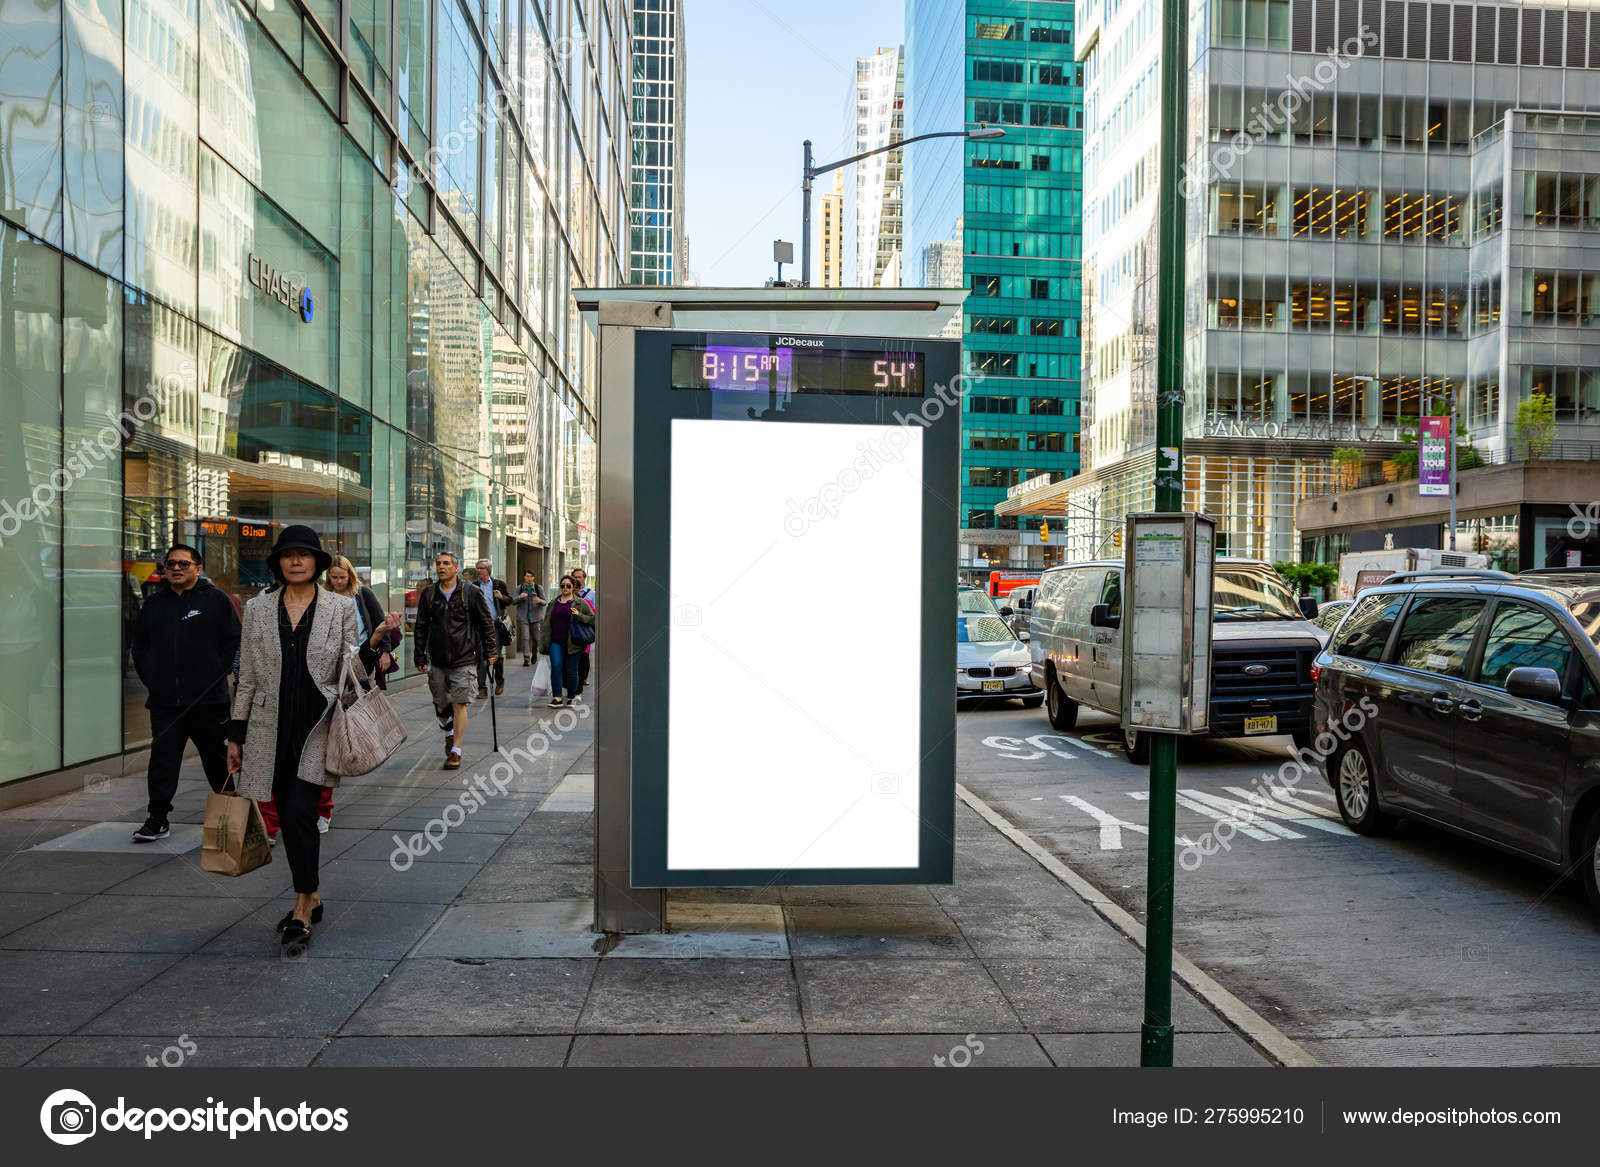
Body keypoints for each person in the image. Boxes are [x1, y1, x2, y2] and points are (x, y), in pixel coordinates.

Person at [226, 526, 401, 953]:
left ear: (317, 563)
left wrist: (373, 644)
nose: (297, 561)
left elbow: (348, 671)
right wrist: (236, 733)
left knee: (302, 814)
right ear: (278, 563)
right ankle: (314, 896)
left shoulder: (340, 608)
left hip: (315, 726)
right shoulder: (258, 609)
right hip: (269, 727)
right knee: (286, 816)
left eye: (305, 555)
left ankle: (303, 906)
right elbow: (246, 675)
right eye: (289, 555)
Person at [129, 544, 241, 843]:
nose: (176, 568)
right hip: (166, 702)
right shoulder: (153, 604)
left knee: (217, 761)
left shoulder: (216, 601)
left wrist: (215, 673)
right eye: (170, 564)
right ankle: (157, 819)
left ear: (197, 568)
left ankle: (232, 819)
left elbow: (233, 642)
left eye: (183, 563)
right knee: (163, 761)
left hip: (208, 700)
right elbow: (140, 647)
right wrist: (154, 680)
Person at [413, 552, 498, 769]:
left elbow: (486, 623)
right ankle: (448, 731)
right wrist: (419, 653)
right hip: (438, 658)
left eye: (446, 564)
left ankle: (456, 750)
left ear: (456, 568)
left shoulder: (471, 592)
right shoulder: (429, 594)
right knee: (441, 704)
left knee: (459, 703)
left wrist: (491, 651)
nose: (441, 567)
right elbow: (421, 626)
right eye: (438, 563)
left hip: (465, 657)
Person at [538, 576, 594, 708]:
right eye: (562, 585)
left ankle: (571, 697)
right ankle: (557, 698)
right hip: (555, 642)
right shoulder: (553, 603)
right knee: (556, 667)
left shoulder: (581, 603)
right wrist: (544, 642)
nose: (565, 588)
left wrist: (579, 615)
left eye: (568, 586)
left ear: (574, 587)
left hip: (573, 642)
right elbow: (547, 623)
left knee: (571, 670)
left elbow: (592, 619)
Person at [472, 558, 512, 698]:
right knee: (481, 657)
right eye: (477, 568)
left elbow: (510, 600)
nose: (478, 570)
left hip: (495, 626)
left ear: (488, 570)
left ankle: (499, 681)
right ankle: (482, 689)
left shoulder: (498, 584)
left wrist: (502, 597)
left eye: (481, 568)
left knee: (496, 656)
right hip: (479, 627)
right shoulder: (474, 586)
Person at [571, 568, 596, 695]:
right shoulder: (567, 594)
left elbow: (594, 613)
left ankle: (583, 678)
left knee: (584, 654)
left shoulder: (591, 594)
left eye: (580, 576)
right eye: (575, 576)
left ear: (584, 578)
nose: (577, 579)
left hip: (585, 630)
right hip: (571, 631)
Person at [514, 571, 544, 666]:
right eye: (527, 576)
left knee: (537, 639)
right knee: (525, 638)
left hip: (536, 617)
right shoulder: (519, 588)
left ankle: (534, 654)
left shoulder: (538, 588)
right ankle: (526, 659)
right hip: (523, 618)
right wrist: (519, 597)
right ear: (524, 577)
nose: (529, 578)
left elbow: (545, 601)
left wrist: (540, 600)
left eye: (531, 576)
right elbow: (513, 601)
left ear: (534, 577)